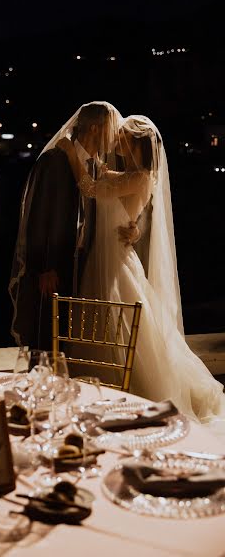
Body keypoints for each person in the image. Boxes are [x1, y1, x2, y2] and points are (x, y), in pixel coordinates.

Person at [61, 114, 225, 424]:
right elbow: (107, 182)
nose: (115, 140)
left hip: (115, 260)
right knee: (109, 318)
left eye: (120, 136)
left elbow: (92, 189)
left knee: (122, 320)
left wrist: (71, 155)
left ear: (136, 142)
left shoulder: (141, 177)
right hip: (107, 254)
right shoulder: (130, 174)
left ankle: (123, 391)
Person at [9, 102, 140, 352]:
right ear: (94, 129)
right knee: (46, 334)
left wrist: (133, 228)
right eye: (110, 130)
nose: (114, 137)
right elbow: (36, 216)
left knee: (71, 335)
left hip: (83, 262)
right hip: (54, 264)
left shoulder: (95, 166)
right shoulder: (53, 160)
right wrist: (43, 266)